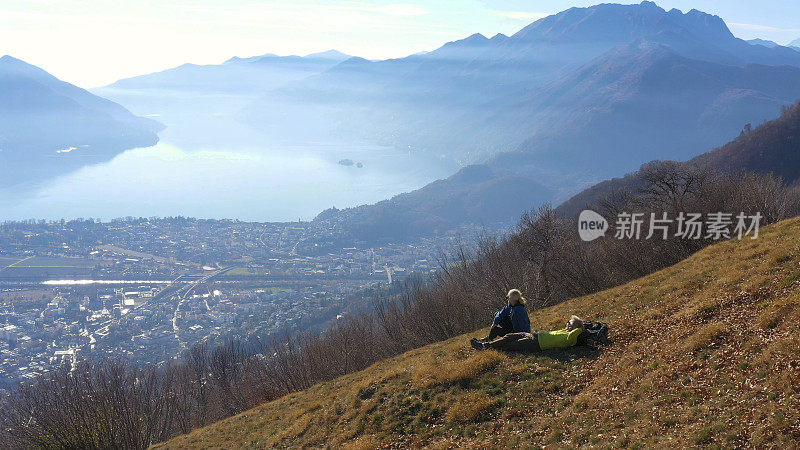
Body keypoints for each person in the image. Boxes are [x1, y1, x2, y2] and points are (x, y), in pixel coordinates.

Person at [471, 315, 585, 352]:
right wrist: (572, 325)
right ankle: (486, 344)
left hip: (537, 344)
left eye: (569, 323)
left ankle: (486, 347)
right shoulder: (565, 332)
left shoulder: (570, 338)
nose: (567, 324)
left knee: (511, 345)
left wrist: (580, 328)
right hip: (534, 336)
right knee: (509, 336)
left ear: (574, 327)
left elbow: (575, 333)